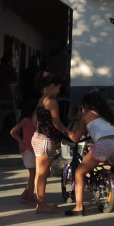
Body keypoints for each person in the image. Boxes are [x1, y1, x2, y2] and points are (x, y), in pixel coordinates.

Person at [64, 89, 114, 216]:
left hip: (104, 144)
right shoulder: (105, 114)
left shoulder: (85, 115)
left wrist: (66, 132)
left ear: (85, 106)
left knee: (79, 172)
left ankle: (78, 207)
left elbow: (76, 138)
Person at [30, 69, 75, 214]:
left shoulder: (40, 100)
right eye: (58, 88)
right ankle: (41, 205)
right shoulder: (52, 102)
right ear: (51, 86)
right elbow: (57, 123)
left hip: (37, 138)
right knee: (43, 174)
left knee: (39, 173)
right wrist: (69, 132)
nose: (59, 91)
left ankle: (40, 202)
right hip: (46, 140)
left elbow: (33, 121)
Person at [9, 108, 37, 204]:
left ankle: (26, 194)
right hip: (28, 150)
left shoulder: (36, 122)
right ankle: (29, 196)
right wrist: (21, 141)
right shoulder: (26, 120)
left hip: (34, 149)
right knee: (33, 174)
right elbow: (13, 131)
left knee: (34, 174)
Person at [0, 52, 19, 132]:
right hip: (8, 94)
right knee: (14, 108)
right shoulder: (10, 68)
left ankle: (5, 125)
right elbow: (16, 79)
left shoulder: (0, 68)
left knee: (4, 111)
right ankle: (13, 126)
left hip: (0, 93)